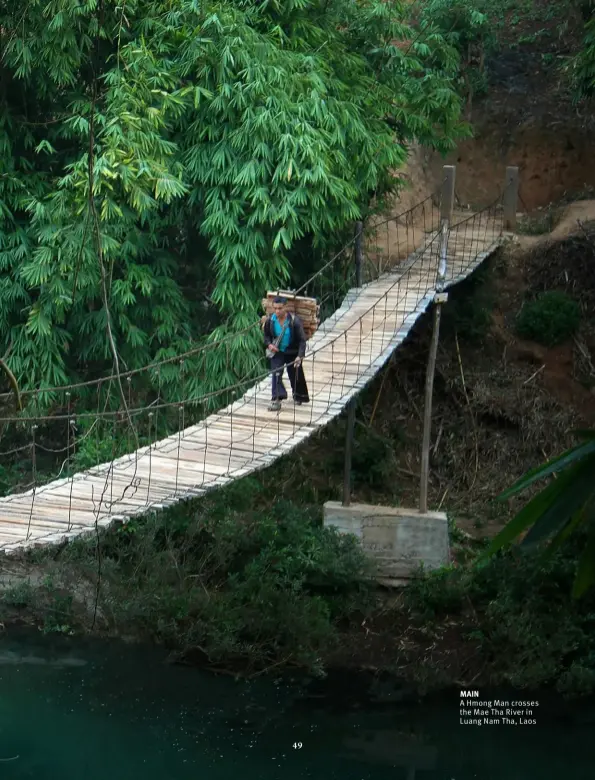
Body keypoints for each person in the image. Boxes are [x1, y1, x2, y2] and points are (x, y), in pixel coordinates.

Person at [263, 296, 310, 412]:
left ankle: (299, 395)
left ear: (286, 308)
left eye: (280, 308)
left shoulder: (294, 321)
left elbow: (302, 340)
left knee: (295, 373)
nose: (277, 311)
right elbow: (266, 337)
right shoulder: (270, 320)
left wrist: (299, 356)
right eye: (275, 308)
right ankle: (277, 399)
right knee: (276, 373)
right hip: (277, 351)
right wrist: (270, 345)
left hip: (292, 351)